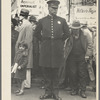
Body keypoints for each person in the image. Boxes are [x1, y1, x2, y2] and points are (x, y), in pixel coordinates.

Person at [34, 0, 69, 100]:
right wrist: (44, 41)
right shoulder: (42, 21)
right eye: (53, 8)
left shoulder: (62, 20)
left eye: (56, 8)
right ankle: (48, 92)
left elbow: (67, 33)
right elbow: (36, 34)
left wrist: (59, 41)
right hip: (46, 50)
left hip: (57, 50)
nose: (55, 10)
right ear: (48, 8)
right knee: (46, 72)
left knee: (56, 72)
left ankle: (56, 93)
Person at [64, 20, 93, 98]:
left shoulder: (85, 34)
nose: (75, 30)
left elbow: (90, 45)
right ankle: (74, 89)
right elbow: (65, 44)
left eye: (76, 29)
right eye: (73, 29)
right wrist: (65, 54)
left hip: (82, 57)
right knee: (73, 73)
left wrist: (87, 55)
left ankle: (82, 90)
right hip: (72, 57)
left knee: (82, 74)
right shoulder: (69, 34)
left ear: (79, 28)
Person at [15, 9, 33, 88]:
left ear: (22, 16)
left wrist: (25, 49)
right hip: (23, 48)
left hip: (24, 48)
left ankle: (26, 84)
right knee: (23, 65)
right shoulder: (25, 24)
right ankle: (24, 84)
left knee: (26, 65)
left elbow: (28, 39)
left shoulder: (27, 24)